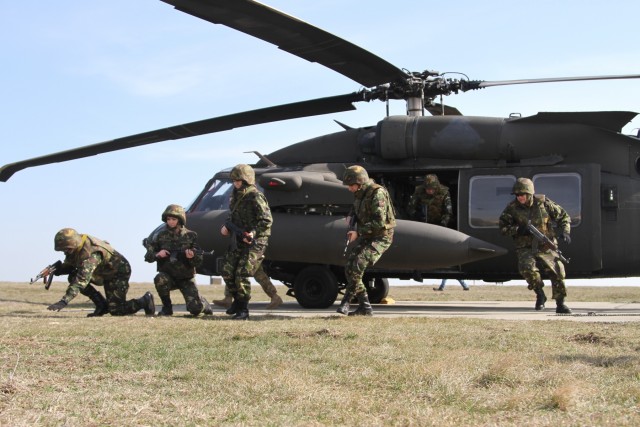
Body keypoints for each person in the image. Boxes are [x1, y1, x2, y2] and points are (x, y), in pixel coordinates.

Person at [499, 178, 572, 313]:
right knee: (527, 269)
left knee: (558, 271)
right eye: (517, 195)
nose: (519, 197)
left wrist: (566, 232)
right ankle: (540, 294)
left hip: (546, 245)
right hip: (525, 246)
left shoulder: (544, 204)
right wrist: (517, 230)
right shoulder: (512, 208)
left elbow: (564, 217)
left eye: (522, 194)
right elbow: (502, 227)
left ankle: (560, 303)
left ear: (530, 193)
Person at [45, 228, 155, 316]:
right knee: (73, 276)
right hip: (103, 272)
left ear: (73, 244)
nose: (65, 252)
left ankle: (145, 300)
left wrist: (64, 301)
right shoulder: (76, 247)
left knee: (117, 310)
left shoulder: (92, 252)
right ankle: (101, 306)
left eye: (67, 249)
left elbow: (82, 278)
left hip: (118, 272)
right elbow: (72, 265)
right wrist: (58, 269)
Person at [338, 165, 396, 316]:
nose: (350, 189)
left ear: (361, 182)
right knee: (349, 267)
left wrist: (357, 232)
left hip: (381, 236)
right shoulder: (360, 193)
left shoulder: (377, 193)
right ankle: (351, 304)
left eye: (351, 185)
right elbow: (357, 208)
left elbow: (379, 222)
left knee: (357, 266)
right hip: (369, 235)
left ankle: (362, 306)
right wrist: (351, 215)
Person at [220, 164, 273, 320]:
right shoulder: (235, 196)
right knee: (227, 270)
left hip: (256, 241)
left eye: (239, 180)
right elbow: (232, 216)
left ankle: (243, 309)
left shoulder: (255, 196)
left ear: (247, 180)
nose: (236, 184)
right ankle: (237, 301)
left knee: (242, 272)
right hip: (239, 238)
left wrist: (253, 233)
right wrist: (226, 226)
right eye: (234, 181)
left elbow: (266, 220)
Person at [144, 204, 214, 316]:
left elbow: (198, 261)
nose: (171, 221)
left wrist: (192, 257)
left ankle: (204, 304)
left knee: (195, 309)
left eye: (174, 219)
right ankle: (167, 308)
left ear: (180, 219)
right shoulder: (159, 236)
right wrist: (158, 254)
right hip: (168, 277)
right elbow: (148, 257)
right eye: (168, 219)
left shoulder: (190, 236)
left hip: (186, 278)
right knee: (160, 279)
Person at [212, 263, 283, 310]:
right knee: (234, 269)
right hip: (244, 248)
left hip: (253, 248)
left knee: (257, 272)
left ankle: (274, 296)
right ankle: (228, 298)